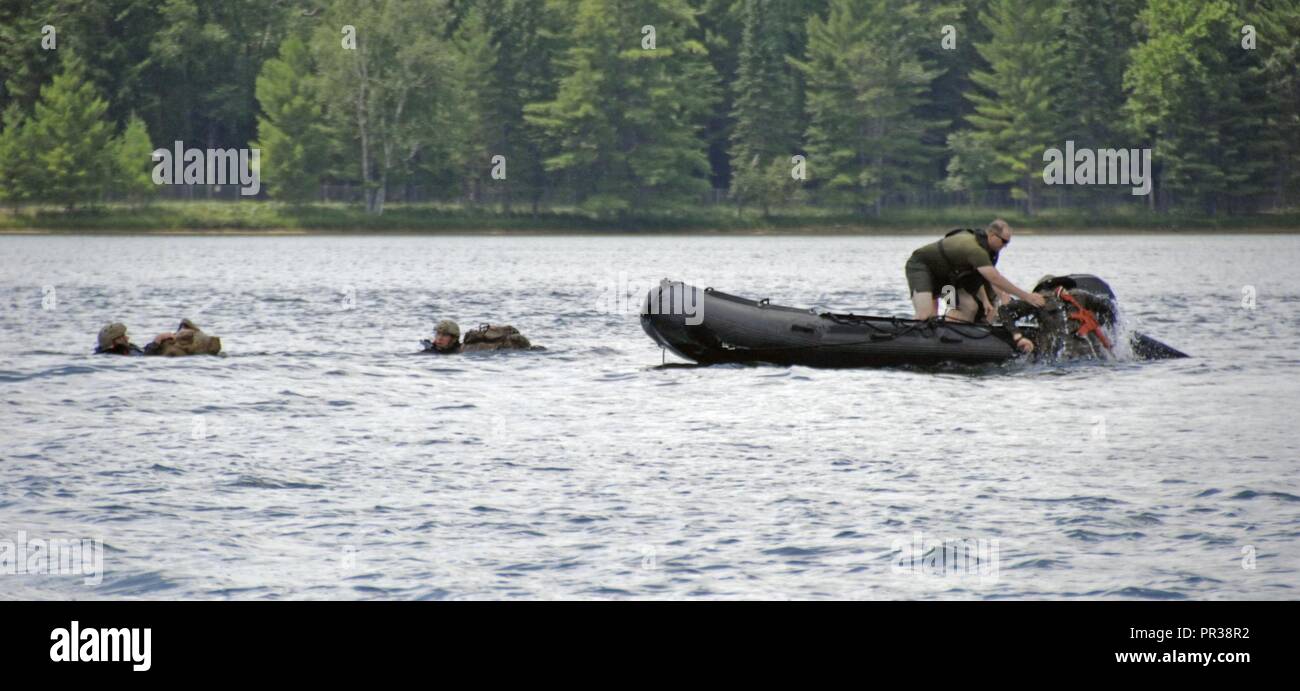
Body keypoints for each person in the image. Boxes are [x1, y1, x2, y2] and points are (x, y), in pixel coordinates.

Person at [904, 219, 1046, 322]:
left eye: (1008, 242)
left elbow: (980, 278)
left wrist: (986, 300)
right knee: (925, 315)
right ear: (991, 235)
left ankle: (948, 339)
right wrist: (1027, 297)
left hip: (948, 279)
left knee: (969, 307)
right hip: (922, 269)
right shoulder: (975, 250)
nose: (1005, 246)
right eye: (1003, 241)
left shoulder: (989, 251)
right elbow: (994, 278)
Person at [421, 319, 534, 354]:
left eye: (445, 335)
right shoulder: (433, 349)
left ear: (454, 338)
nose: (439, 338)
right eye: (438, 334)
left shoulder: (465, 349)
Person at [143, 318, 223, 356]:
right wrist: (158, 340)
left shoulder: (174, 350)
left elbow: (146, 355)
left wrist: (157, 340)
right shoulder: (170, 345)